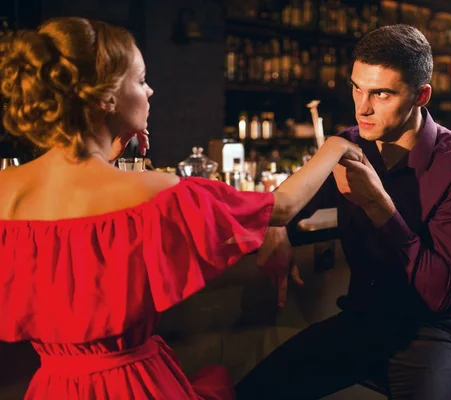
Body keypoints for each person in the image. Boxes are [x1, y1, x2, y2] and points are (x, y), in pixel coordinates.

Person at [0, 17, 362, 399]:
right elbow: (282, 206)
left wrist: (104, 156)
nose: (151, 91)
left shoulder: (7, 191)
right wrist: (334, 146)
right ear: (106, 98)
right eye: (140, 81)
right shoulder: (153, 193)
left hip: (52, 385)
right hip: (134, 385)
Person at [237, 24, 451, 400]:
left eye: (382, 93)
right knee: (250, 393)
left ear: (421, 95)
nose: (363, 107)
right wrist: (279, 231)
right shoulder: (352, 143)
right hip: (361, 323)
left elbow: (439, 295)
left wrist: (380, 207)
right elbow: (288, 203)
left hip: (433, 335)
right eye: (357, 87)